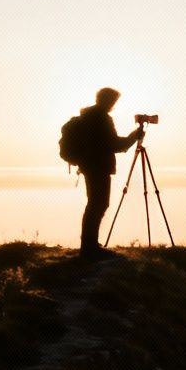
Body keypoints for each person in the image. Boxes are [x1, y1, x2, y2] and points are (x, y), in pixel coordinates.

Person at [69, 87, 144, 256]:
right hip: (98, 166)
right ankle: (89, 247)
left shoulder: (88, 116)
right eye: (113, 101)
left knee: (95, 204)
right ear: (107, 100)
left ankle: (89, 245)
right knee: (98, 204)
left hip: (90, 165)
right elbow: (115, 144)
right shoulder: (101, 118)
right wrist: (135, 136)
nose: (114, 105)